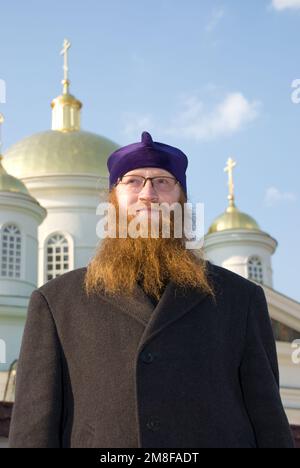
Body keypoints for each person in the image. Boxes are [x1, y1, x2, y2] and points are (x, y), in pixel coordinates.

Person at [9, 132, 295, 448]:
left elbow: (268, 420)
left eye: (162, 182)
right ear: (113, 200)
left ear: (181, 202)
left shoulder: (240, 299)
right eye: (132, 181)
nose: (148, 194)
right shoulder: (57, 303)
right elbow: (33, 431)